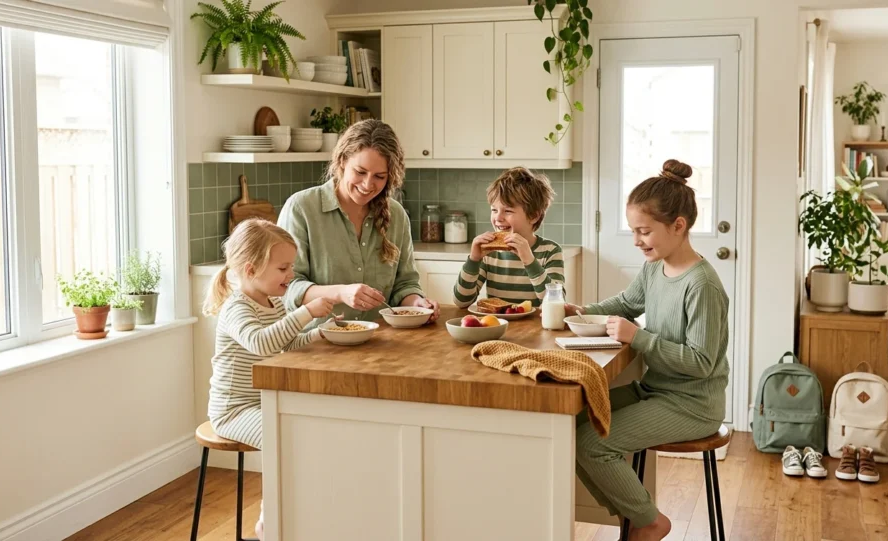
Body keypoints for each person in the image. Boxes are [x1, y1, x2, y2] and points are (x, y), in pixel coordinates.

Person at [561, 159, 730, 541]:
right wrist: (584, 311)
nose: (637, 241)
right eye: (634, 230)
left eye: (644, 231)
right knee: (567, 423)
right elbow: (626, 302)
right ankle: (633, 516)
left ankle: (649, 521)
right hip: (656, 391)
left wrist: (638, 337)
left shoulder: (701, 285)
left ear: (678, 226)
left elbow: (701, 364)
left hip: (692, 404)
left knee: (591, 444)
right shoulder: (656, 268)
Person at [202, 218, 334, 541]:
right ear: (251, 269)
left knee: (305, 431)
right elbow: (262, 343)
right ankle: (269, 523)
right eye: (283, 269)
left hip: (262, 403)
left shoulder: (272, 303)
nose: (290, 276)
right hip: (232, 409)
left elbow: (285, 344)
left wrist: (321, 333)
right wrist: (305, 313)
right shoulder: (236, 309)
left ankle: (298, 518)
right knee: (284, 438)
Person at [278, 119, 439, 322]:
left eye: (379, 176)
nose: (367, 184)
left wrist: (417, 303)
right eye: (360, 172)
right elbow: (286, 287)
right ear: (343, 161)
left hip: (380, 342)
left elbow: (405, 284)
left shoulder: (396, 216)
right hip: (315, 344)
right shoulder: (301, 208)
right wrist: (340, 293)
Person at [453, 167, 564, 307]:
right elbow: (461, 302)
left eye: (508, 211)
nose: (498, 218)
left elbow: (557, 303)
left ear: (534, 216)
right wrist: (474, 260)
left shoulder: (550, 251)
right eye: (494, 210)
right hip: (497, 325)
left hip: (536, 327)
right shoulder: (489, 253)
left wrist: (529, 260)